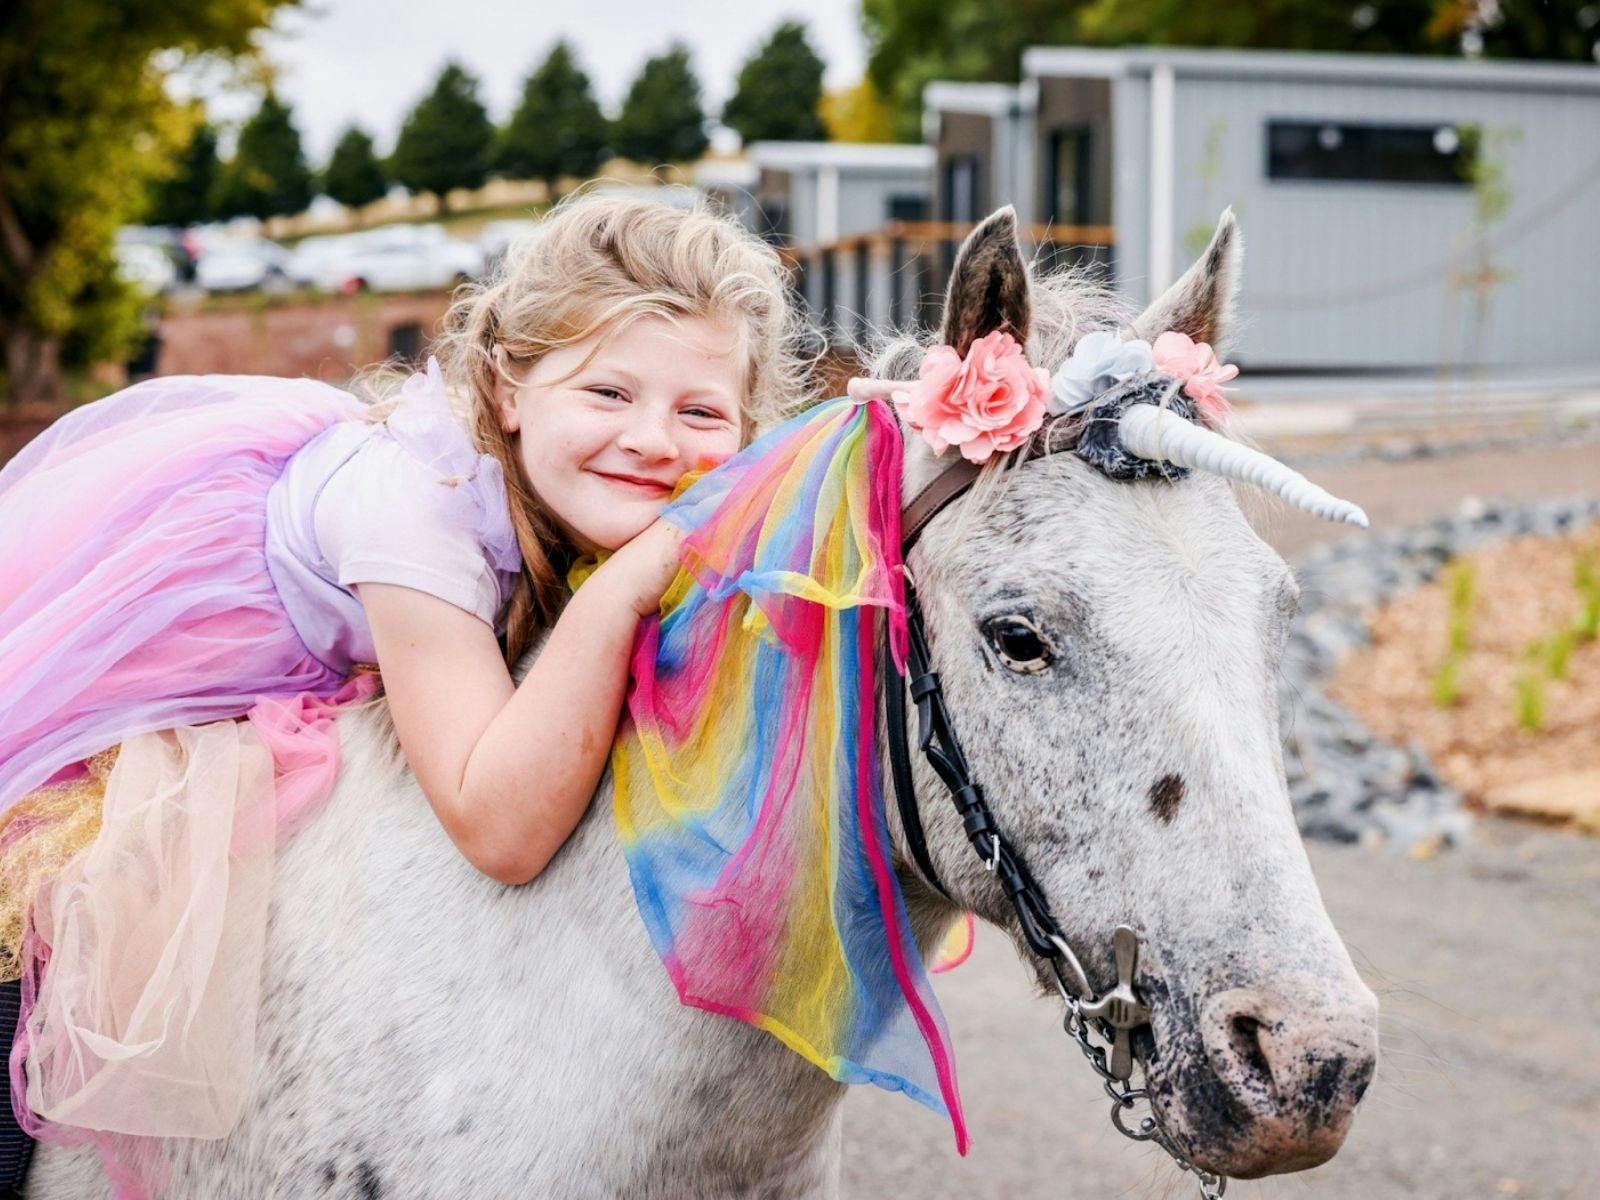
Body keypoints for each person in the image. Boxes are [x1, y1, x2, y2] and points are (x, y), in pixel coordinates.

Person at [0, 189, 814, 1188]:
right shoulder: (417, 510)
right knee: (49, 925)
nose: (653, 438)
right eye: (607, 394)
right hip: (140, 689)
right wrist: (631, 586)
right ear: (509, 392)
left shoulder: (580, 485)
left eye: (700, 412)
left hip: (319, 671)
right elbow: (497, 825)